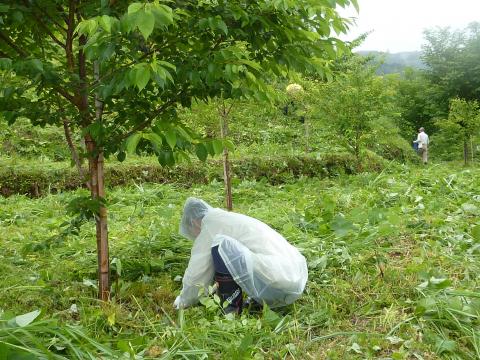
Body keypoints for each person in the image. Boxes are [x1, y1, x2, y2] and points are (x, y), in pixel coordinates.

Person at [174, 198, 308, 314]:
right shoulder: (225, 219)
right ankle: (254, 302)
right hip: (292, 276)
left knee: (220, 246)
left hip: (278, 277)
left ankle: (231, 310)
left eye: (192, 231)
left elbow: (197, 273)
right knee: (225, 251)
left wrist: (183, 300)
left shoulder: (209, 225)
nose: (196, 236)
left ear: (195, 222)